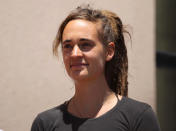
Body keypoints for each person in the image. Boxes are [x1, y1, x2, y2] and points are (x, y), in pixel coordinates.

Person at [31, 5, 160, 131]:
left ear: (109, 51)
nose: (75, 54)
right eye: (68, 46)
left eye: (85, 44)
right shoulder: (45, 123)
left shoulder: (139, 117)